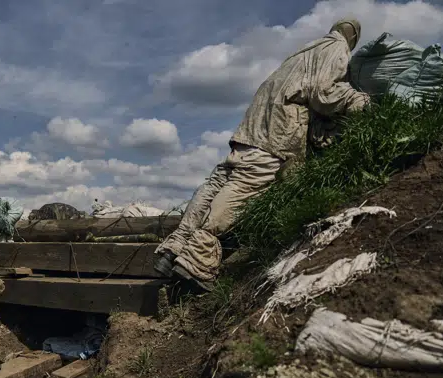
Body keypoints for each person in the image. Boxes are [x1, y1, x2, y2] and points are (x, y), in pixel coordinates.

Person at [154, 18, 370, 286]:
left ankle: (173, 247)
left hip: (248, 134)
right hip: (273, 139)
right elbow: (323, 91)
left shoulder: (300, 54)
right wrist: (360, 102)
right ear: (353, 37)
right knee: (239, 193)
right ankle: (197, 260)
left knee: (215, 185)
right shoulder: (336, 48)